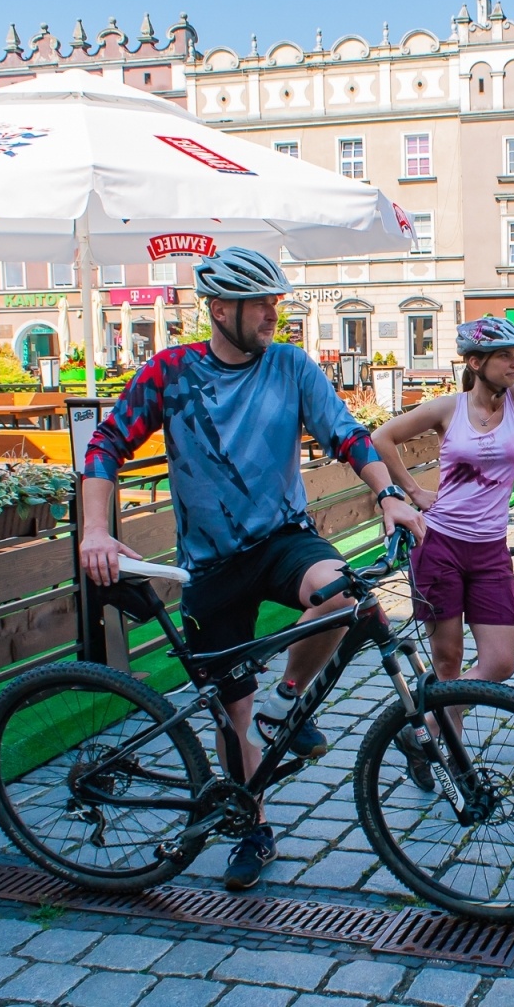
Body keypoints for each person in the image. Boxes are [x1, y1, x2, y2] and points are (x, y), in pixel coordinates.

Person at [79, 247, 423, 893]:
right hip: (209, 566)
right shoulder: (170, 373)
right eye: (262, 303)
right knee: (228, 718)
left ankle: (287, 701)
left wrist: (389, 494)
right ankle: (252, 827)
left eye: (275, 301)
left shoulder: (291, 366)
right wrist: (97, 531)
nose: (274, 312)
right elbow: (106, 445)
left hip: (282, 540)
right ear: (220, 309)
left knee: (343, 594)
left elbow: (347, 435)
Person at [371, 318, 514, 787]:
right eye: (505, 356)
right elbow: (381, 438)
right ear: (476, 363)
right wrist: (414, 491)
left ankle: (422, 732)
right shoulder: (447, 408)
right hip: (438, 547)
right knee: (448, 665)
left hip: (489, 551)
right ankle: (458, 767)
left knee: (499, 662)